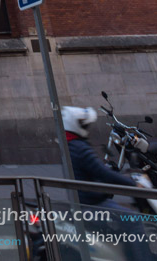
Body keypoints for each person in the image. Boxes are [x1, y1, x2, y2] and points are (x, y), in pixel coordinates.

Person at [62, 106, 152, 261]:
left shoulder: (71, 145)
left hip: (85, 200)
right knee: (133, 219)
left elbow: (96, 171)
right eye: (85, 125)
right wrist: (132, 184)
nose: (87, 128)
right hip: (91, 204)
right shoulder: (80, 148)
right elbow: (103, 173)